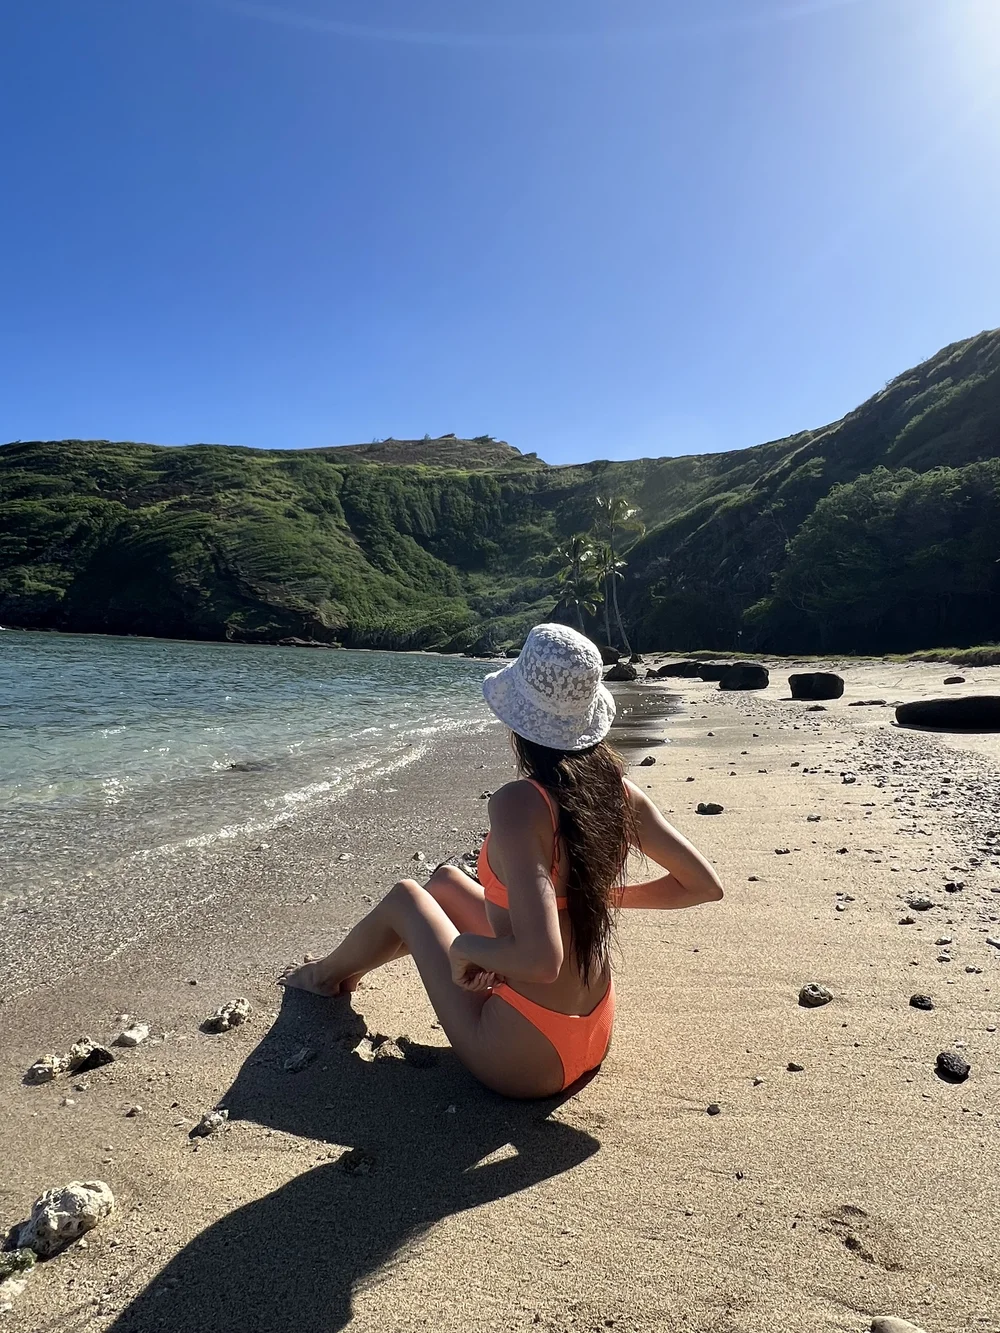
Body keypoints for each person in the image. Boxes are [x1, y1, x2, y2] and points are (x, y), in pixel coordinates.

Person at [279, 623, 724, 1099]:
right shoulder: (615, 791)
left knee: (406, 899)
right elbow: (701, 885)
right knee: (447, 882)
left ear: (519, 719)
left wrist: (465, 951)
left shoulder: (520, 803)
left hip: (525, 1057)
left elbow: (541, 959)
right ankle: (349, 968)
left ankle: (322, 978)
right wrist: (593, 895)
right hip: (590, 1034)